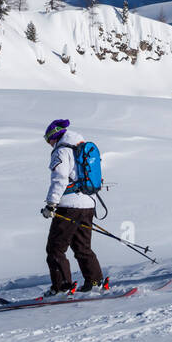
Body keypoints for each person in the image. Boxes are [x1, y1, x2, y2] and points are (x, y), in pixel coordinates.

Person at [40, 118, 107, 294]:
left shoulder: (61, 151)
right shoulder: (83, 148)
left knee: (55, 249)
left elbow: (59, 179)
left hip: (69, 206)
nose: (49, 144)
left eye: (49, 140)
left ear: (55, 136)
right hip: (88, 204)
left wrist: (51, 204)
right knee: (82, 247)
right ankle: (95, 282)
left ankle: (62, 288)